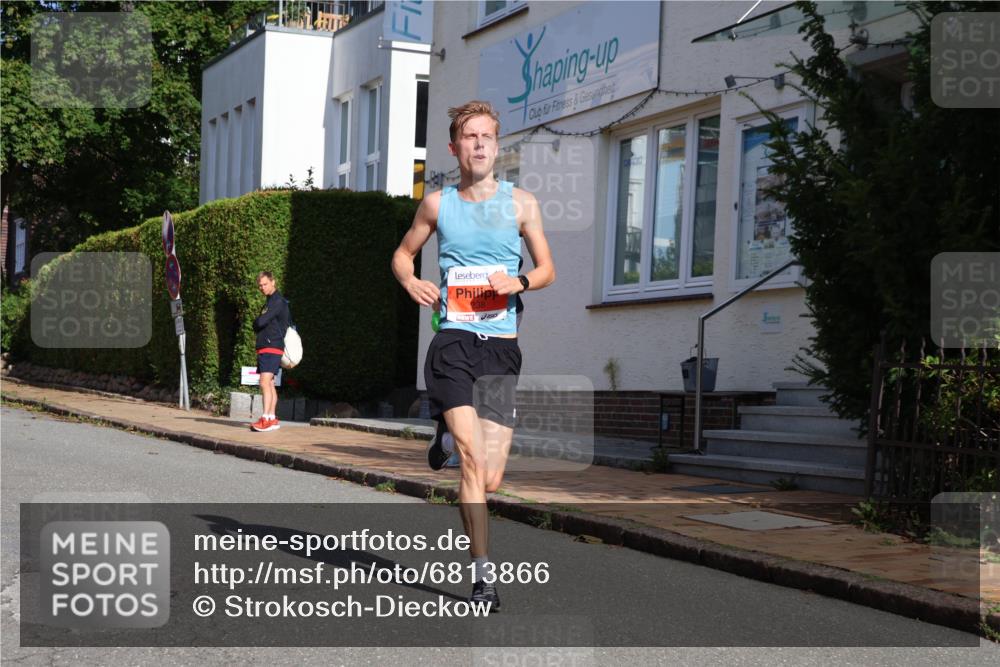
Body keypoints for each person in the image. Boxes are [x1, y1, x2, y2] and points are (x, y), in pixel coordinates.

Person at [391, 100, 555, 611]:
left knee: (492, 477)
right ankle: (483, 576)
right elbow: (401, 254)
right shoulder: (437, 204)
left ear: (497, 146)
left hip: (501, 349)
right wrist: (411, 280)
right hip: (453, 344)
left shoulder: (522, 203)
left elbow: (548, 268)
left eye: (488, 136)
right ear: (454, 148)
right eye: (471, 137)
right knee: (470, 458)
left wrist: (520, 279)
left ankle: (440, 433)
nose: (480, 144)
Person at [251, 271, 289, 432]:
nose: (262, 288)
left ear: (273, 282)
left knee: (264, 382)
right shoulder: (271, 301)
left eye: (265, 284)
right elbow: (259, 323)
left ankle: (266, 418)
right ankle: (272, 418)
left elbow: (260, 321)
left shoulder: (277, 301)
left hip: (271, 346)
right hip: (270, 346)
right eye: (260, 285)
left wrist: (258, 321)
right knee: (271, 383)